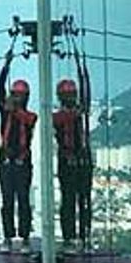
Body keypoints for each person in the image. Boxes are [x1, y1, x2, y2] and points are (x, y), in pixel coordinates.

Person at [0, 52, 37, 250]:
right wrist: (6, 66)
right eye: (15, 94)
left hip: (22, 160)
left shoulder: (29, 116)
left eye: (20, 95)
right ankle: (8, 236)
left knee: (23, 200)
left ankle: (25, 236)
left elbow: (27, 120)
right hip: (5, 160)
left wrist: (14, 109)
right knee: (7, 200)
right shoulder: (6, 111)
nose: (16, 98)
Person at [53, 54, 92, 250]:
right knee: (71, 200)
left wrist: (81, 68)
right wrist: (81, 68)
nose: (71, 98)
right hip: (70, 160)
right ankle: (72, 238)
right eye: (67, 95)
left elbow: (86, 94)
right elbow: (85, 98)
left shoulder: (76, 113)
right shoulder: (61, 116)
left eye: (72, 94)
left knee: (80, 200)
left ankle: (82, 237)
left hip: (79, 159)